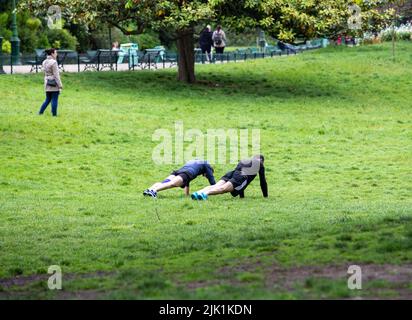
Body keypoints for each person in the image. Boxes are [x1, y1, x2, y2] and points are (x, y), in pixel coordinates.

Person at [192, 155, 268, 200]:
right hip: (240, 176)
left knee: (215, 186)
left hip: (232, 173)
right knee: (223, 189)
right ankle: (205, 194)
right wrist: (266, 196)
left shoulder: (246, 160)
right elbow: (263, 182)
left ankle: (198, 192)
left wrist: (242, 197)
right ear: (262, 160)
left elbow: (242, 180)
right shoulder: (260, 163)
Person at [143, 160, 216, 198]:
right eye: (205, 176)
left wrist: (186, 195)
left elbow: (187, 181)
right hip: (187, 173)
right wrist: (216, 188)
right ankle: (154, 191)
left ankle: (149, 189)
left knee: (164, 183)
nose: (205, 177)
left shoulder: (197, 163)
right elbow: (212, 182)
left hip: (178, 171)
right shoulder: (207, 165)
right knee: (172, 184)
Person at [38, 48, 63, 117]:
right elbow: (56, 75)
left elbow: (44, 72)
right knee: (54, 99)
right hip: (53, 82)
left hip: (47, 81)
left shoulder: (44, 61)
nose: (56, 54)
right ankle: (54, 115)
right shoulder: (54, 62)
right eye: (55, 53)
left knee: (47, 99)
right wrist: (60, 85)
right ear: (52, 54)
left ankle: (40, 112)